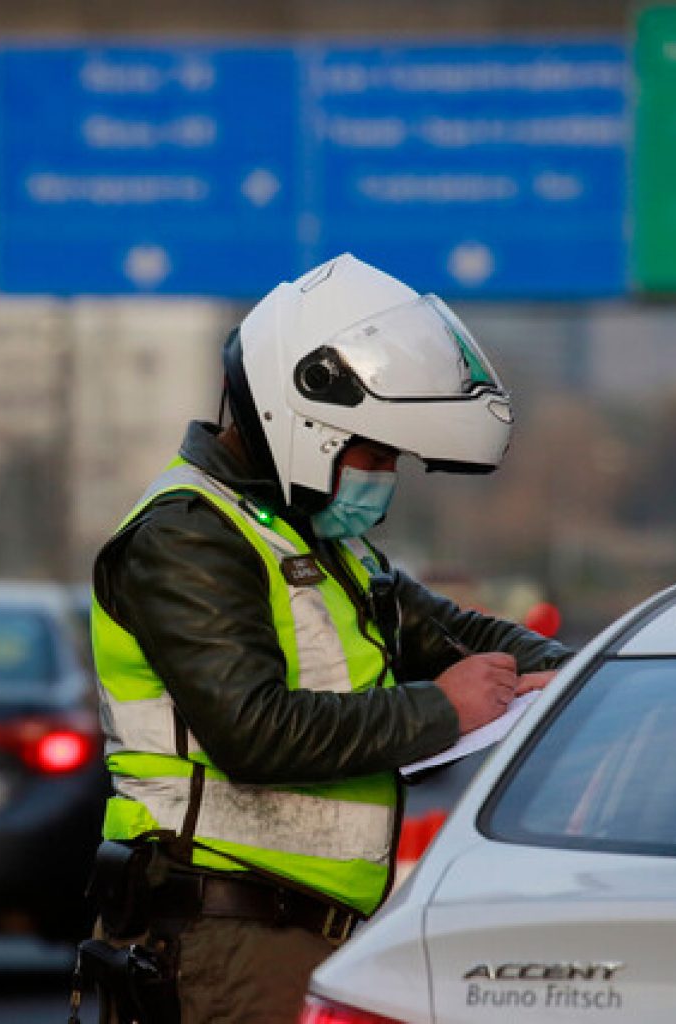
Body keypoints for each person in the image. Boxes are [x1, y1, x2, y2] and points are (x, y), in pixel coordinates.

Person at [82, 253, 573, 1024]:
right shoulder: (187, 536)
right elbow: (253, 731)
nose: (386, 475)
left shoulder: (313, 536)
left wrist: (588, 679)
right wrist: (444, 710)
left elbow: (450, 631)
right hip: (226, 933)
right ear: (306, 424)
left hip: (304, 932)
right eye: (375, 452)